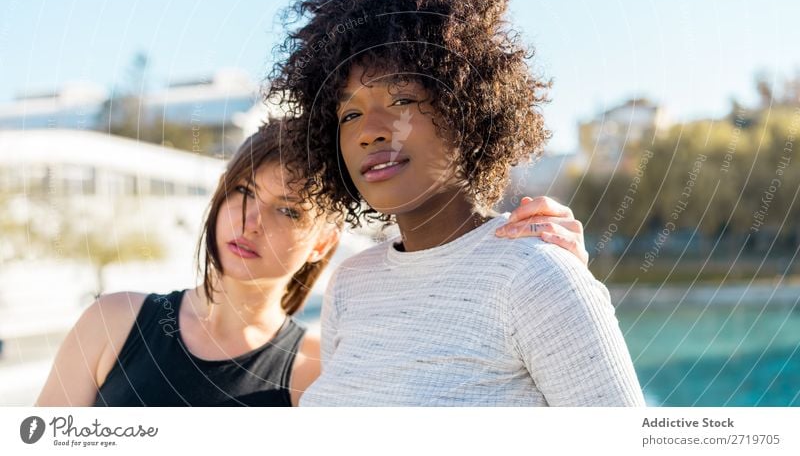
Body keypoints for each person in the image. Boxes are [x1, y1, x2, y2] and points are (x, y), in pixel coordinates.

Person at [268, 0, 645, 406]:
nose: (369, 132)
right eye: (349, 115)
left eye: (401, 99)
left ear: (465, 111)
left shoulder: (537, 277)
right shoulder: (349, 284)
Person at [35, 120, 586, 406]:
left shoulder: (322, 373)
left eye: (288, 210)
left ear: (323, 243)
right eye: (243, 192)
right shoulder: (112, 323)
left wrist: (548, 261)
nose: (251, 221)